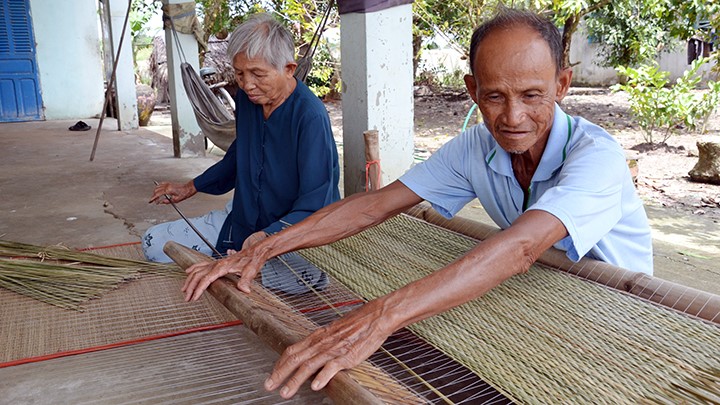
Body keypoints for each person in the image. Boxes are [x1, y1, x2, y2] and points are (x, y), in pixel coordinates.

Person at [181, 8, 653, 399]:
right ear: (472, 91)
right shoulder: (474, 147)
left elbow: (521, 249)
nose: (512, 117)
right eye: (494, 97)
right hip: (546, 296)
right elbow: (374, 206)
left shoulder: (597, 158)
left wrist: (380, 316)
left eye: (533, 96)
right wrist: (264, 249)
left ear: (563, 86)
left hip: (618, 319)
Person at [143, 13, 340, 293]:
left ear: (289, 68)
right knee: (153, 242)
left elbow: (316, 203)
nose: (247, 84)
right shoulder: (249, 101)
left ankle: (255, 266)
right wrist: (190, 187)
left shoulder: (310, 116)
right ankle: (236, 262)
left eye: (257, 74)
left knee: (283, 272)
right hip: (242, 221)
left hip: (292, 235)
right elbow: (239, 157)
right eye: (240, 74)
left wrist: (266, 238)